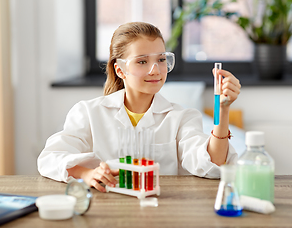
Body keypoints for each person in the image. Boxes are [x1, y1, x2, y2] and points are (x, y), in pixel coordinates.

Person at [37, 22, 241, 192]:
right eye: (142, 62)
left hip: (161, 212)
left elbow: (212, 165)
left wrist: (223, 111)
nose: (155, 70)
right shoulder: (88, 113)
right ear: (120, 70)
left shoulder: (183, 117)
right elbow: (50, 158)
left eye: (161, 59)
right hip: (107, 211)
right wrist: (87, 173)